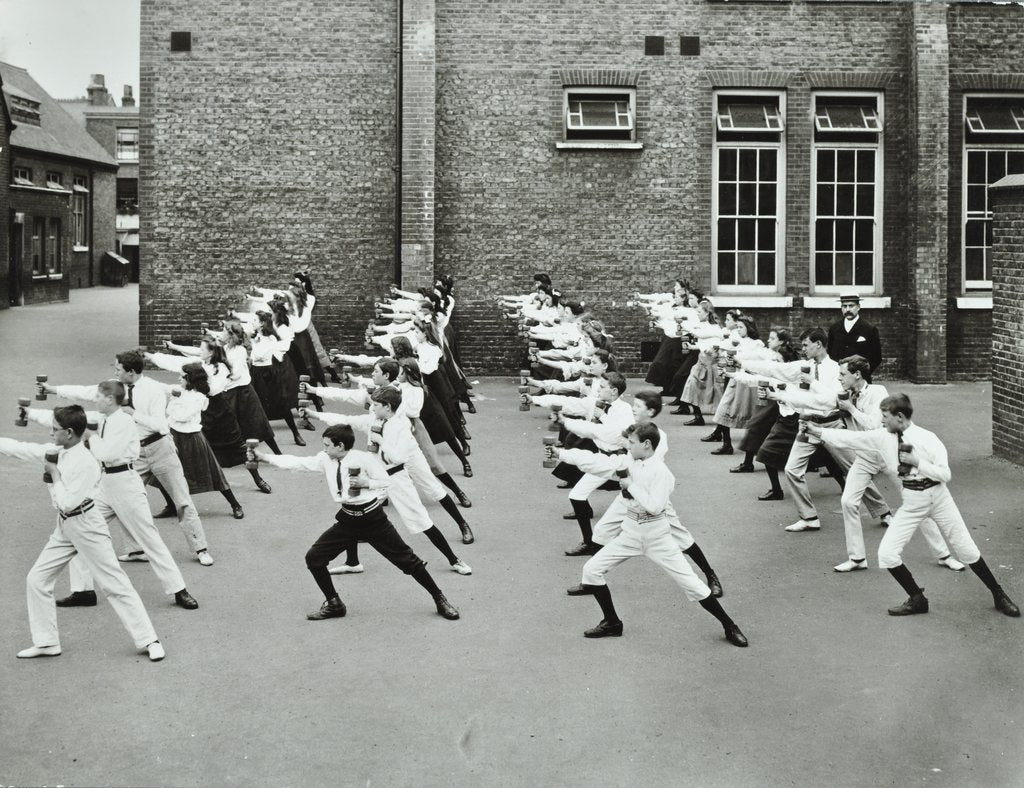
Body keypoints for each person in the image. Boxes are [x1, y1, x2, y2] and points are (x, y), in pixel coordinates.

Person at [807, 394, 1019, 618]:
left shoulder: (927, 438)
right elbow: (849, 439)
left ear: (900, 416)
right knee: (887, 554)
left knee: (966, 549)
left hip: (939, 498)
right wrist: (817, 432)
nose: (882, 421)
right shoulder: (882, 436)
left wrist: (918, 463)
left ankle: (999, 595)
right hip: (912, 501)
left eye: (885, 417)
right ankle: (917, 599)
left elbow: (945, 474)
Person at [556, 423, 748, 647]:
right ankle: (612, 623)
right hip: (631, 534)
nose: (627, 446)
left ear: (646, 444)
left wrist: (630, 485)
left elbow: (655, 507)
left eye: (632, 442)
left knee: (693, 585)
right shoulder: (629, 461)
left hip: (657, 537)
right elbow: (599, 462)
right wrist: (562, 453)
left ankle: (729, 625)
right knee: (591, 570)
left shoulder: (662, 473)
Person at [0, 405, 166, 661]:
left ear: (69, 432)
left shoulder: (87, 462)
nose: (50, 434)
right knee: (37, 579)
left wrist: (53, 476)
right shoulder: (60, 450)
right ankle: (46, 643)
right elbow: (23, 449)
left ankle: (149, 640)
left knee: (115, 584)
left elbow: (67, 502)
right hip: (65, 527)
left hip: (87, 525)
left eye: (54, 430)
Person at [254, 424, 459, 621]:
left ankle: (440, 599)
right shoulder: (325, 460)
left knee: (409, 562)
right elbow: (297, 462)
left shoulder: (364, 459)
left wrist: (365, 483)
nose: (323, 449)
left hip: (373, 520)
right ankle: (334, 604)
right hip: (348, 521)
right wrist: (264, 458)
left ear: (340, 446)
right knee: (314, 558)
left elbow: (387, 482)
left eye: (327, 445)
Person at [25, 382, 202, 605]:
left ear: (109, 399)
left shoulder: (125, 422)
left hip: (126, 484)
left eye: (98, 396)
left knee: (149, 538)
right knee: (78, 527)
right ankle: (83, 591)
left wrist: (90, 437)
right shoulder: (103, 419)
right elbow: (70, 423)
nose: (95, 399)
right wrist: (30, 413)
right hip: (104, 484)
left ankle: (178, 589)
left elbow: (107, 453)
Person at [41, 351, 212, 567]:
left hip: (160, 448)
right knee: (121, 499)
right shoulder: (115, 387)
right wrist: (53, 390)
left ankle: (200, 548)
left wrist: (132, 412)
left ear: (131, 372)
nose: (115, 372)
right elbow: (87, 392)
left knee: (182, 499)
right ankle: (135, 550)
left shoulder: (153, 390)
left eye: (118, 368)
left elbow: (160, 425)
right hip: (134, 454)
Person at [797, 356, 962, 573]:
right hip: (865, 456)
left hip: (889, 454)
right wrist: (778, 395)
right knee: (848, 501)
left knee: (915, 501)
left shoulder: (878, 392)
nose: (839, 379)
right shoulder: (842, 393)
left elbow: (877, 426)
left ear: (857, 375)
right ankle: (857, 558)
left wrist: (852, 409)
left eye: (843, 374)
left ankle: (944, 555)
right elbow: (821, 399)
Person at [302, 387, 473, 575]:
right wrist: (314, 414)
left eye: (376, 405)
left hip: (395, 478)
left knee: (421, 520)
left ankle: (454, 560)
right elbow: (347, 420)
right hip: (372, 478)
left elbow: (398, 458)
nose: (372, 408)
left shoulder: (400, 426)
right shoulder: (373, 419)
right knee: (351, 511)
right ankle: (352, 562)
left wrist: (381, 441)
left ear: (388, 406)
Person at [826, 292, 882, 380]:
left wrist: (863, 374)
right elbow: (830, 353)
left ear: (858, 307)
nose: (847, 309)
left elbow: (876, 357)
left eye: (851, 306)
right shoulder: (834, 329)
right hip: (838, 379)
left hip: (860, 379)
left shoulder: (869, 329)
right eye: (844, 306)